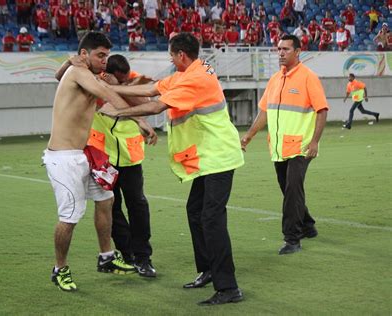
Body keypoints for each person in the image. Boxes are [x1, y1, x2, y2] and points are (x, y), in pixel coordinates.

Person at [99, 32, 245, 306]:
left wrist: (117, 111)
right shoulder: (189, 71)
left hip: (219, 157)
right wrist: (113, 90)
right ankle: (208, 270)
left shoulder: (194, 79)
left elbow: (156, 105)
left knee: (212, 219)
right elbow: (152, 89)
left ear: (181, 55)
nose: (169, 58)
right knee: (196, 211)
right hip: (207, 157)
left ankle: (229, 287)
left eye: (171, 55)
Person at [43, 32, 141, 292]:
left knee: (105, 199)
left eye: (107, 55)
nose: (105, 61)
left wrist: (66, 62)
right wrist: (141, 119)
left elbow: (58, 76)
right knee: (70, 217)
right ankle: (59, 269)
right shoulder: (79, 72)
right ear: (84, 54)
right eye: (100, 55)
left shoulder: (77, 70)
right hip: (63, 159)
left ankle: (106, 257)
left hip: (83, 153)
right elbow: (106, 93)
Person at [241, 34, 328, 255]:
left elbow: (322, 110)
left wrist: (315, 141)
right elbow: (265, 112)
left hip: (301, 147)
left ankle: (292, 239)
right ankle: (308, 225)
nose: (280, 53)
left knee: (292, 190)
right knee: (289, 189)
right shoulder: (274, 80)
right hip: (279, 148)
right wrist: (249, 136)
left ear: (298, 51)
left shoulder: (309, 78)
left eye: (286, 49)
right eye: (278, 49)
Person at [88, 54, 158, 277]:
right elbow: (102, 103)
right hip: (104, 157)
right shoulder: (93, 80)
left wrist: (119, 86)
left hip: (131, 156)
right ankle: (127, 255)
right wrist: (111, 88)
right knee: (111, 207)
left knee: (137, 205)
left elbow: (146, 105)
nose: (128, 79)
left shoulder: (131, 78)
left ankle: (143, 257)